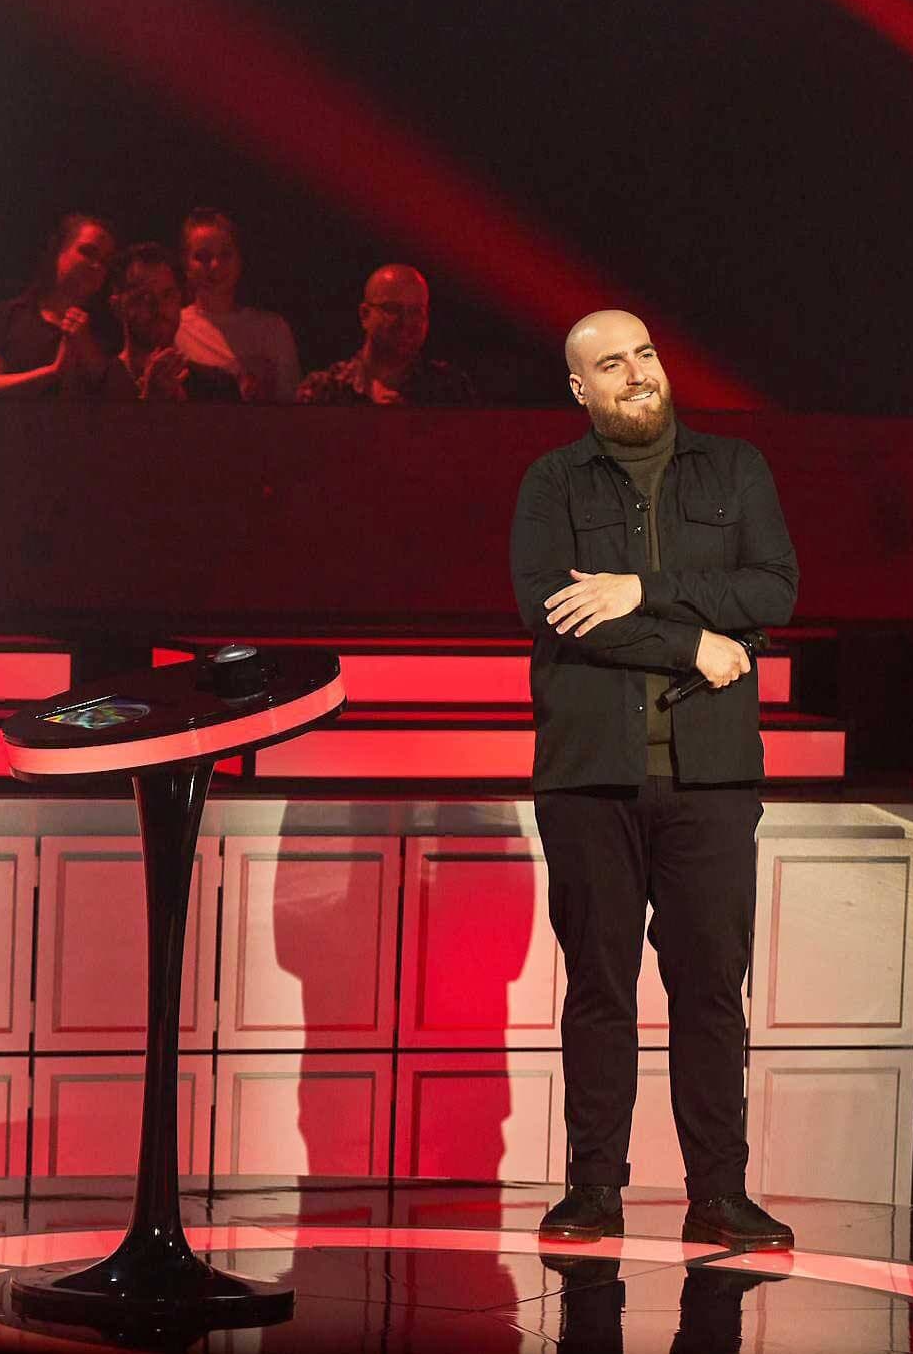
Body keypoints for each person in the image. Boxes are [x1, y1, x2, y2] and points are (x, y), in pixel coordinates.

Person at [509, 308, 799, 1252]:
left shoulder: (735, 466)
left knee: (710, 988)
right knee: (599, 984)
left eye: (643, 353)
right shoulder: (552, 481)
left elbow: (774, 590)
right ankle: (593, 1187)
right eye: (610, 363)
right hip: (590, 778)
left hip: (712, 781)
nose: (635, 372)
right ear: (579, 389)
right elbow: (554, 612)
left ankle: (718, 1191)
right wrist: (689, 642)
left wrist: (641, 590)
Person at [0, 212, 134, 399]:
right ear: (58, 251)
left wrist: (88, 351)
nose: (96, 265)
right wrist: (53, 372)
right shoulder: (8, 316)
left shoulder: (110, 327)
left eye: (105, 261)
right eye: (88, 252)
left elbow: (125, 399)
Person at [296, 264, 477, 404]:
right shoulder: (325, 390)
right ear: (365, 315)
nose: (406, 321)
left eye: (416, 311)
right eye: (392, 309)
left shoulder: (449, 389)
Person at [173, 207, 298, 401]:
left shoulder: (272, 329)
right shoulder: (174, 327)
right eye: (203, 257)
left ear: (239, 260)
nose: (215, 265)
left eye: (225, 255)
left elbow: (292, 406)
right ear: (186, 264)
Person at [111, 241, 238, 402]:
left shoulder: (218, 388)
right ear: (117, 307)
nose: (158, 307)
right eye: (143, 297)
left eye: (167, 295)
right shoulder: (95, 385)